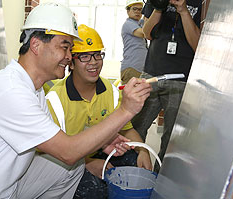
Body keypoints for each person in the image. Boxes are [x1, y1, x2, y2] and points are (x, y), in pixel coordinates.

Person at [0, 3, 152, 198]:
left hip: (12, 183)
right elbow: (67, 150)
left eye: (71, 49)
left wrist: (102, 143)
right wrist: (126, 110)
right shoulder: (10, 90)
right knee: (71, 159)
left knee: (71, 166)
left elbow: (47, 144)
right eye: (65, 47)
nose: (69, 57)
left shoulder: (33, 89)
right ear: (36, 45)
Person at [43, 24, 152, 199]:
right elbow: (52, 153)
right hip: (67, 161)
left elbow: (126, 129)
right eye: (84, 56)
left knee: (133, 163)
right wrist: (88, 163)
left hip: (104, 150)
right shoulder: (55, 100)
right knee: (95, 190)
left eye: (97, 54)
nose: (93, 62)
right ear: (70, 62)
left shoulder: (110, 91)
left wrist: (143, 151)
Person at [131, 0, 204, 173]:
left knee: (172, 141)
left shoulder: (202, 3)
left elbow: (198, 44)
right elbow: (147, 33)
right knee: (136, 128)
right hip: (151, 75)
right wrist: (159, 7)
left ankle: (158, 180)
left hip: (181, 80)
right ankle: (132, 173)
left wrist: (183, 10)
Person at [120, 0, 148, 85]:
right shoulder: (128, 24)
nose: (137, 12)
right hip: (132, 68)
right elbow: (144, 33)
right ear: (128, 11)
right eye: (134, 9)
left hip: (140, 68)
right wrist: (147, 17)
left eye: (140, 10)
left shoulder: (140, 23)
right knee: (131, 96)